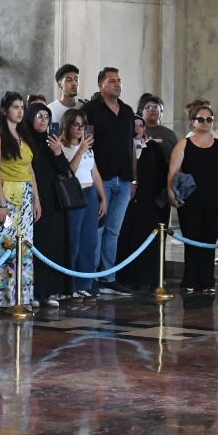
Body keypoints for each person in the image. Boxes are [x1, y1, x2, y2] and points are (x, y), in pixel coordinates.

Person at [167, 101, 218, 295]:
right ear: (193, 122)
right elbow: (172, 171)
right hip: (189, 200)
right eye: (201, 119)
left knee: (209, 240)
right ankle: (190, 279)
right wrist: (171, 194)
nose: (205, 123)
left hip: (213, 198)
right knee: (192, 239)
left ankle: (207, 280)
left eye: (209, 119)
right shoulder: (184, 144)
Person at [81, 68, 136, 295]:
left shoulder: (127, 111)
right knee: (97, 229)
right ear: (100, 84)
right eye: (112, 80)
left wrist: (134, 178)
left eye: (119, 80)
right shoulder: (90, 110)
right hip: (99, 178)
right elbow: (86, 143)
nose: (117, 84)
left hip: (123, 179)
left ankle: (108, 277)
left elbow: (130, 145)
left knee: (113, 230)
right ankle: (91, 277)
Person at [0, 92, 39, 311]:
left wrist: (36, 198)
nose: (20, 111)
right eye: (15, 107)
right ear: (5, 110)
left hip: (25, 193)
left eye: (22, 107)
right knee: (4, 244)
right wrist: (2, 204)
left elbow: (29, 168)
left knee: (24, 246)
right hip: (6, 193)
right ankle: (2, 296)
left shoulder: (23, 137)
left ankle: (22, 295)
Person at [24, 101, 72, 305]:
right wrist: (36, 198)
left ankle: (51, 290)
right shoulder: (26, 141)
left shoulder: (51, 141)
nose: (43, 120)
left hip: (55, 201)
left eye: (46, 117)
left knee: (54, 244)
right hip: (35, 199)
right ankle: (36, 291)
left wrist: (58, 152)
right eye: (39, 116)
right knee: (39, 244)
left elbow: (66, 171)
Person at [117, 104, 167, 292]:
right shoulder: (122, 147)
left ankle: (149, 278)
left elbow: (162, 173)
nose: (137, 130)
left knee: (147, 239)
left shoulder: (153, 147)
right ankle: (126, 278)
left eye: (140, 126)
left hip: (148, 202)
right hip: (127, 203)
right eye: (134, 126)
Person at [59, 109, 104, 298]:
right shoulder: (62, 147)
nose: (79, 129)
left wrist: (103, 198)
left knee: (89, 241)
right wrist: (81, 149)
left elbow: (95, 173)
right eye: (76, 125)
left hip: (90, 192)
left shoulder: (88, 148)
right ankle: (69, 284)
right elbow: (70, 171)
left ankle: (84, 283)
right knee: (73, 241)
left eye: (82, 125)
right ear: (68, 125)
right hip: (73, 193)